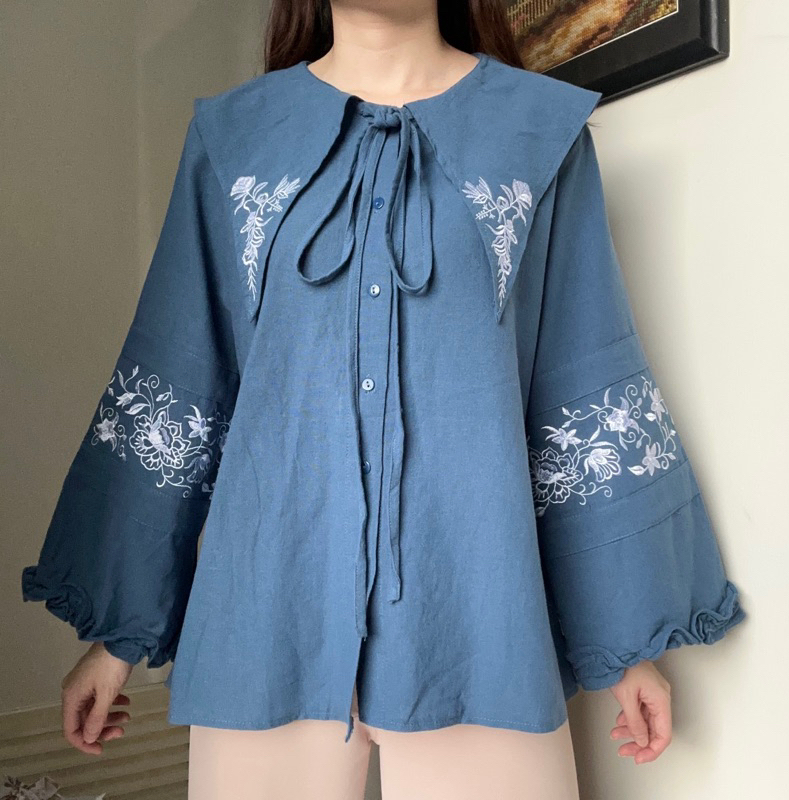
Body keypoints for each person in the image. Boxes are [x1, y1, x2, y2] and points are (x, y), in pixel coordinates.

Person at [21, 1, 746, 797]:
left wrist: (626, 644)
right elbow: (182, 375)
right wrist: (116, 637)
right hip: (267, 612)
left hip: (475, 613)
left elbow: (578, 378)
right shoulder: (235, 138)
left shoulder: (539, 134)